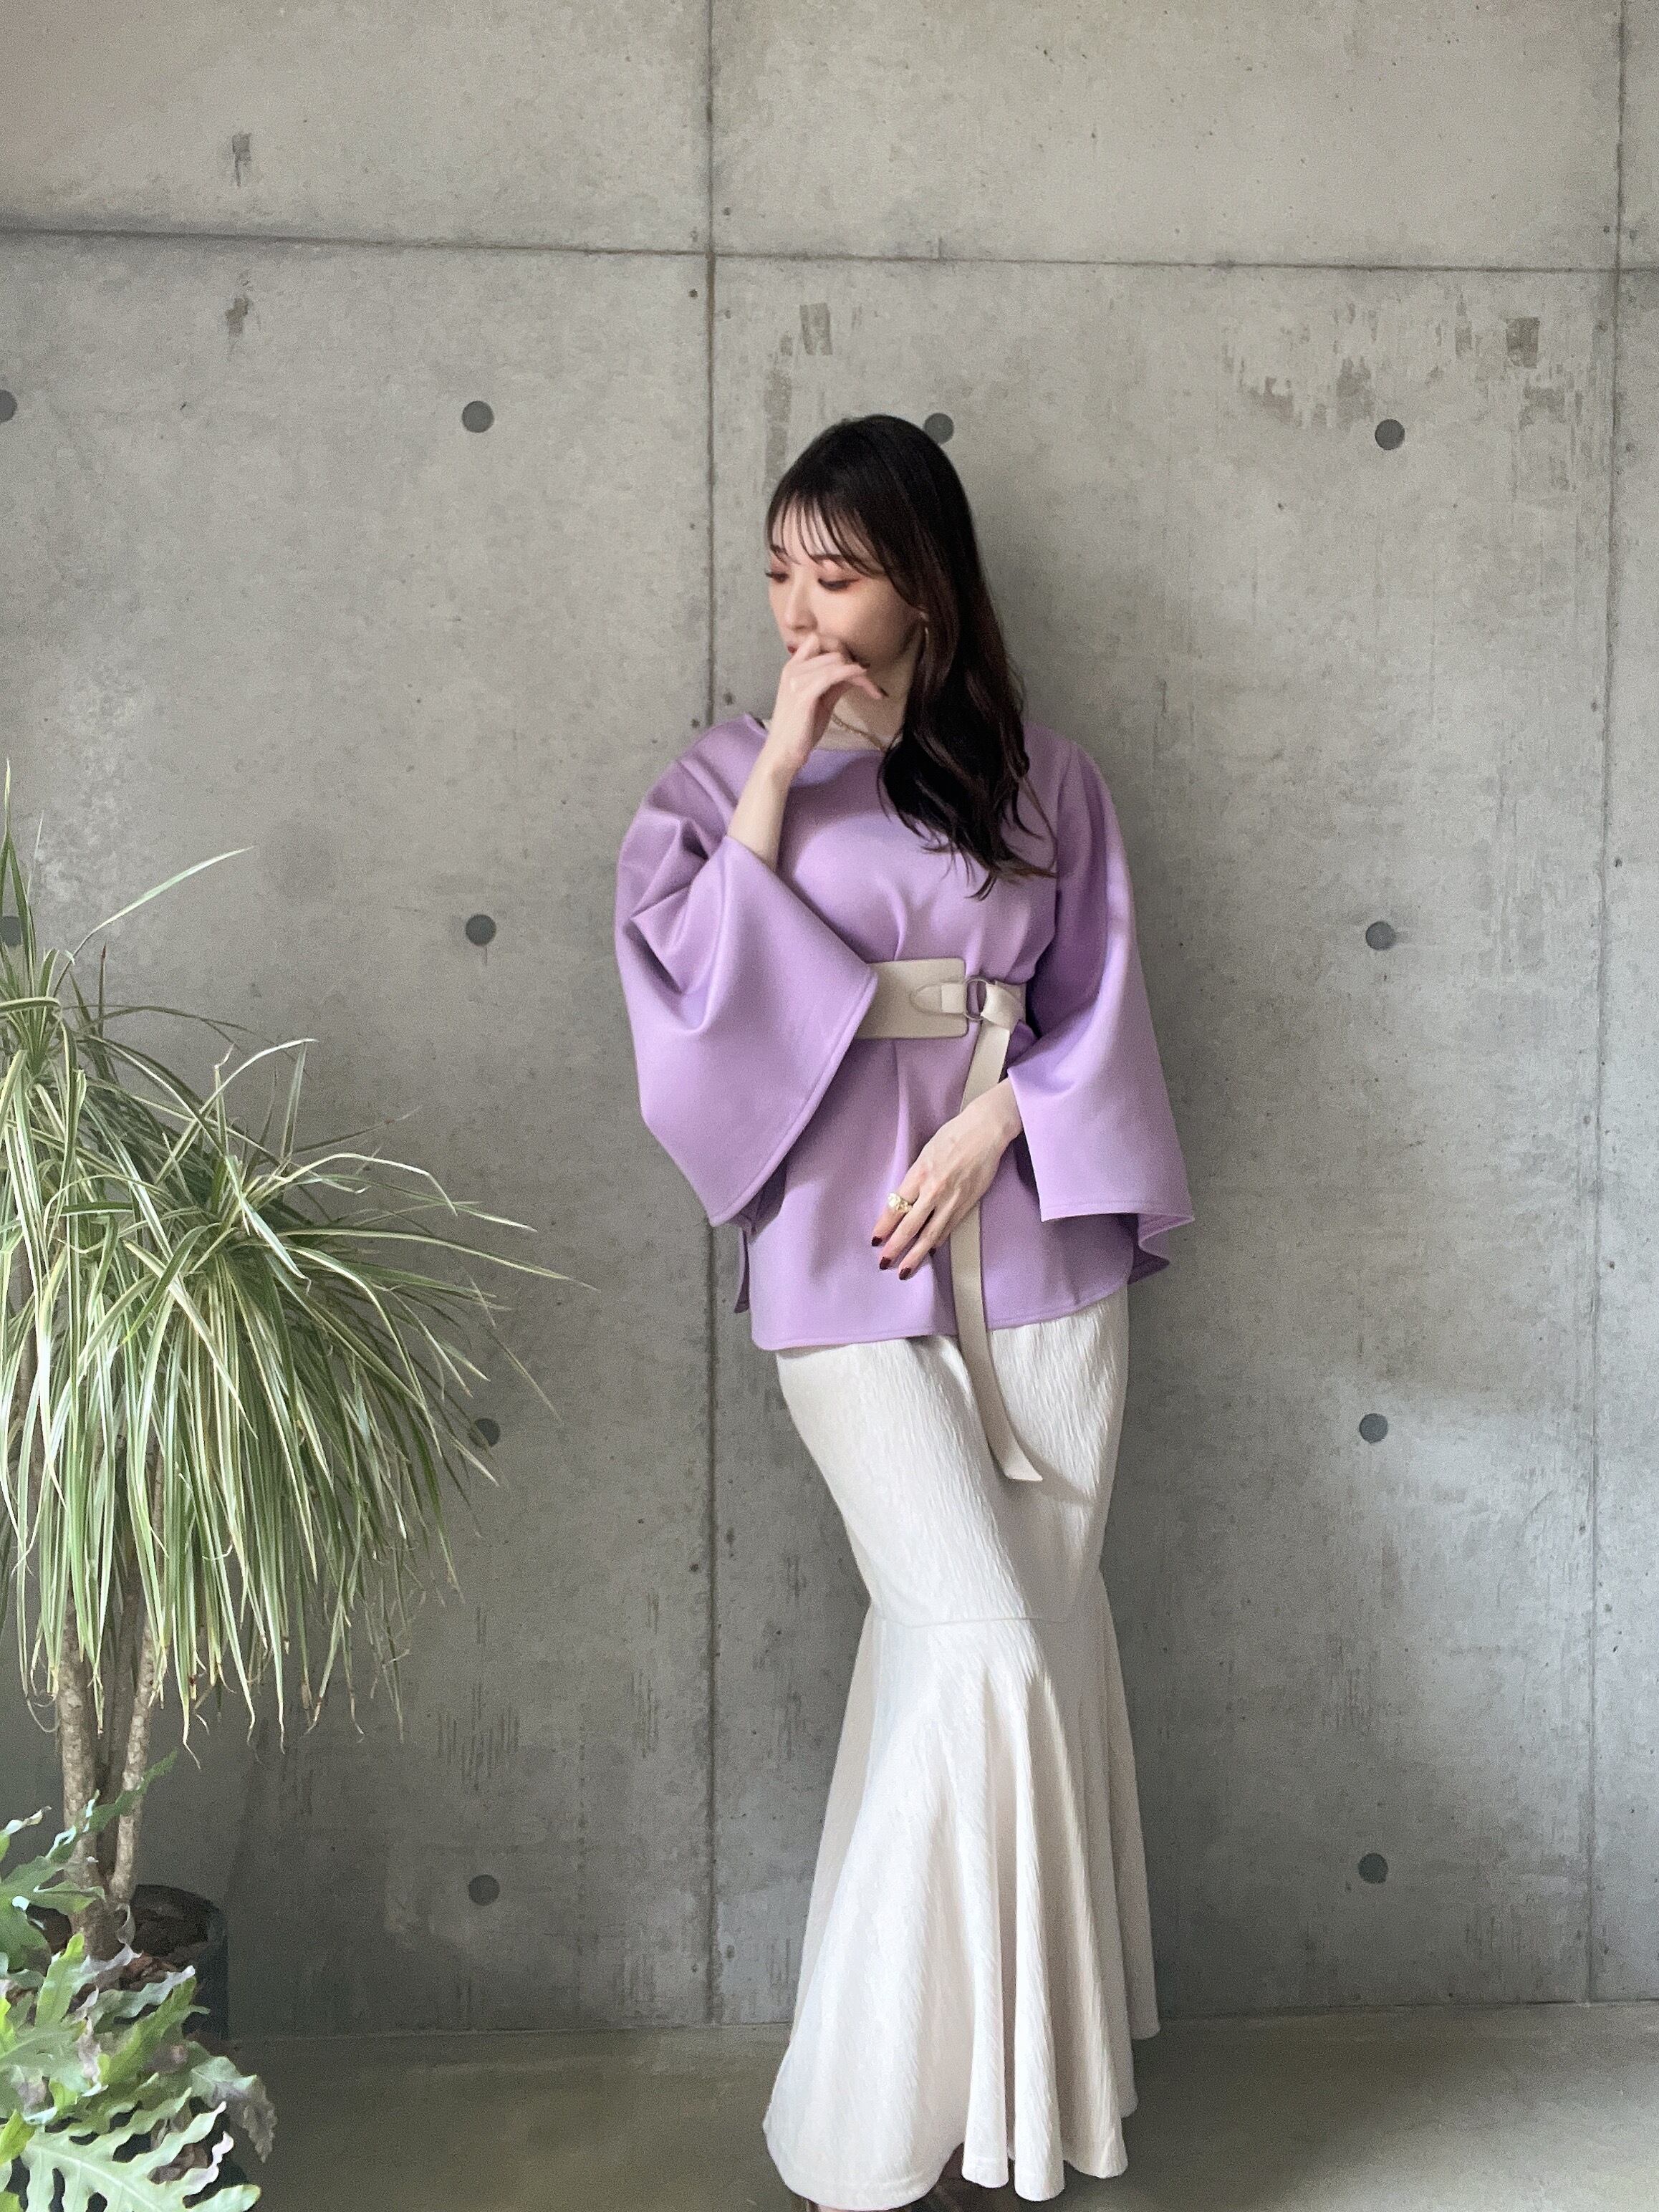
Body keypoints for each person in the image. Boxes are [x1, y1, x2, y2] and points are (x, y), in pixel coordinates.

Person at [613, 413, 1193, 2211]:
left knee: (1032, 1651)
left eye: (838, 574)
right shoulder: (720, 781)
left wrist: (999, 1119)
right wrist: (784, 768)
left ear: (924, 589)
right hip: (845, 1267)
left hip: (1042, 1261)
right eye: (779, 574)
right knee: (983, 1644)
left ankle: (1006, 2107)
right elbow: (693, 1017)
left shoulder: (1047, 781)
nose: (801, 611)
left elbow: (1102, 1006)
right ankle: (867, 2131)